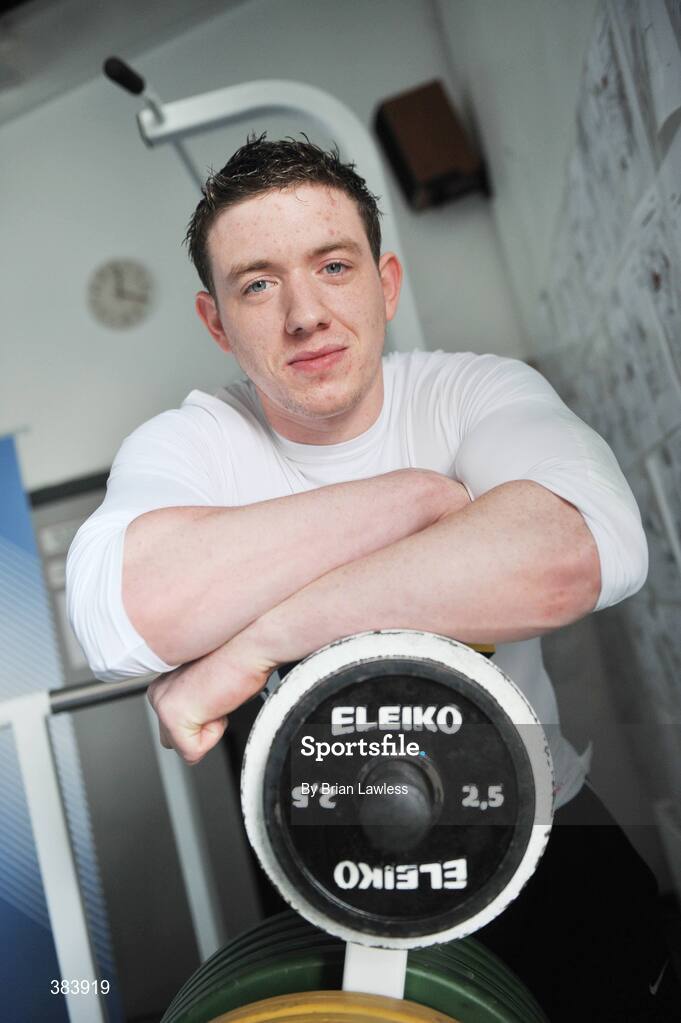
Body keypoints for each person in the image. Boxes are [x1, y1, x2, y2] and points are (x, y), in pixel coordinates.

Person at [66, 134, 670, 1020]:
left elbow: (577, 552)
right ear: (216, 322)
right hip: (332, 880)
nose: (304, 314)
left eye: (333, 266)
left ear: (385, 284)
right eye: (258, 284)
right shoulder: (192, 445)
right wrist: (415, 499)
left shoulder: (472, 393)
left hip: (544, 842)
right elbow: (121, 618)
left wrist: (256, 643)